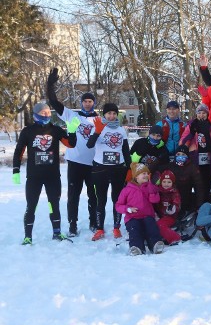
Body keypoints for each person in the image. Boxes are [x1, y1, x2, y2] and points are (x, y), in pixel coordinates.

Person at [13, 102, 78, 244]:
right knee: (31, 206)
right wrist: (16, 170)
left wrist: (72, 131)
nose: (47, 115)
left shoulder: (56, 130)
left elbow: (70, 144)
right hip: (34, 176)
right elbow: (19, 151)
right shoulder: (28, 131)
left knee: (54, 204)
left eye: (49, 112)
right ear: (36, 114)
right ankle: (28, 237)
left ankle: (57, 233)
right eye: (43, 113)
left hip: (52, 176)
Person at [46, 68, 98, 236]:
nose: (87, 103)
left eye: (90, 101)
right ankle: (73, 224)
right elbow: (53, 102)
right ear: (81, 103)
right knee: (73, 196)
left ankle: (93, 222)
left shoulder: (99, 120)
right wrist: (50, 84)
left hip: (93, 164)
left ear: (94, 103)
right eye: (85, 101)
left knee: (93, 196)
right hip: (75, 162)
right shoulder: (71, 115)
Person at [87, 103, 132, 241]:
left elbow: (125, 150)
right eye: (109, 113)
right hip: (100, 168)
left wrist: (129, 168)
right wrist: (97, 132)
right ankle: (100, 228)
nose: (111, 116)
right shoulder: (98, 126)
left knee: (117, 199)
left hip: (118, 168)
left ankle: (116, 227)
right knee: (101, 199)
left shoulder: (121, 129)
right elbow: (89, 145)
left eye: (114, 113)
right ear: (104, 114)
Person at [115, 163, 165, 255]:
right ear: (136, 177)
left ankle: (155, 244)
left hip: (147, 215)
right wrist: (128, 209)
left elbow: (155, 200)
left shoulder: (150, 187)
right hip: (132, 217)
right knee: (134, 230)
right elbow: (118, 206)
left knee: (152, 227)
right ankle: (136, 247)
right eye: (143, 173)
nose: (146, 175)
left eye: (147, 173)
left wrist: (150, 186)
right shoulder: (127, 189)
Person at [179, 103, 211, 196]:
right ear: (196, 114)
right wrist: (191, 133)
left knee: (207, 180)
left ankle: (205, 201)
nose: (201, 115)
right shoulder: (191, 125)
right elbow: (182, 142)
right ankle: (196, 204)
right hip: (195, 156)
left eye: (204, 113)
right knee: (196, 180)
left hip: (207, 157)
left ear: (207, 114)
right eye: (199, 113)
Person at [163, 145, 205, 221]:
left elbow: (199, 187)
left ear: (187, 156)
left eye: (183, 155)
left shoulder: (192, 167)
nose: (180, 156)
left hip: (184, 198)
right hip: (169, 198)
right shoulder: (170, 166)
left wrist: (199, 205)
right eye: (178, 154)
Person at [154, 170, 182, 246]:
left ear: (172, 183)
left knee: (160, 225)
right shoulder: (157, 191)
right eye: (164, 182)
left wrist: (172, 209)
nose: (166, 184)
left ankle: (175, 238)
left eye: (169, 182)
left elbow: (177, 203)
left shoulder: (174, 192)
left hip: (169, 216)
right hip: (158, 215)